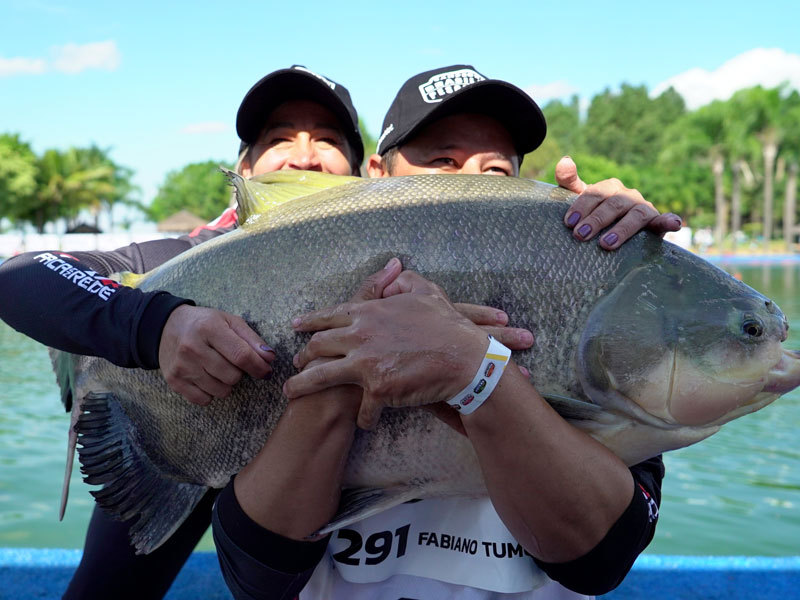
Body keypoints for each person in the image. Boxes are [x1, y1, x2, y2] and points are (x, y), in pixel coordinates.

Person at [210, 66, 674, 600]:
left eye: (496, 169)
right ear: (378, 174)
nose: (472, 182)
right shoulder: (288, 289)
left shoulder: (583, 285)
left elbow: (602, 562)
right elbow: (258, 577)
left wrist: (629, 262)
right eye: (442, 161)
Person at [0, 64, 366, 600]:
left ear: (364, 173)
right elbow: (21, 277)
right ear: (245, 167)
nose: (305, 155)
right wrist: (159, 324)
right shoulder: (189, 255)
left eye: (329, 140)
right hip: (183, 447)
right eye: (279, 139)